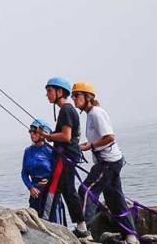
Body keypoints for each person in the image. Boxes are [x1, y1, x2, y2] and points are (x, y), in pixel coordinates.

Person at [72, 81, 138, 244]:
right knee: (115, 199)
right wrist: (84, 146)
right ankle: (130, 236)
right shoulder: (91, 114)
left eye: (77, 95)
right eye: (73, 96)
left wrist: (91, 146)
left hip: (107, 162)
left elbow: (109, 137)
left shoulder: (95, 113)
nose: (74, 99)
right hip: (111, 160)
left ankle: (83, 228)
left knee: (86, 190)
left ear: (88, 97)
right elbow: (99, 138)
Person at [37, 77, 89, 237]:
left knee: (52, 190)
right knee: (67, 190)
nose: (47, 94)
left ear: (59, 92)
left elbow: (66, 136)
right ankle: (82, 227)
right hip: (67, 156)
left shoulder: (66, 110)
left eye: (49, 91)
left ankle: (44, 224)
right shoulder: (67, 110)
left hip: (65, 157)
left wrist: (48, 136)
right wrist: (51, 135)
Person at [22, 118, 64, 224]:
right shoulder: (28, 151)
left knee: (53, 220)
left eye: (34, 132)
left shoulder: (50, 150)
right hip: (35, 192)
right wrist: (30, 187)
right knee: (36, 222)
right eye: (30, 132)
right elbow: (24, 173)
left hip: (50, 190)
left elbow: (58, 172)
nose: (32, 134)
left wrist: (49, 182)